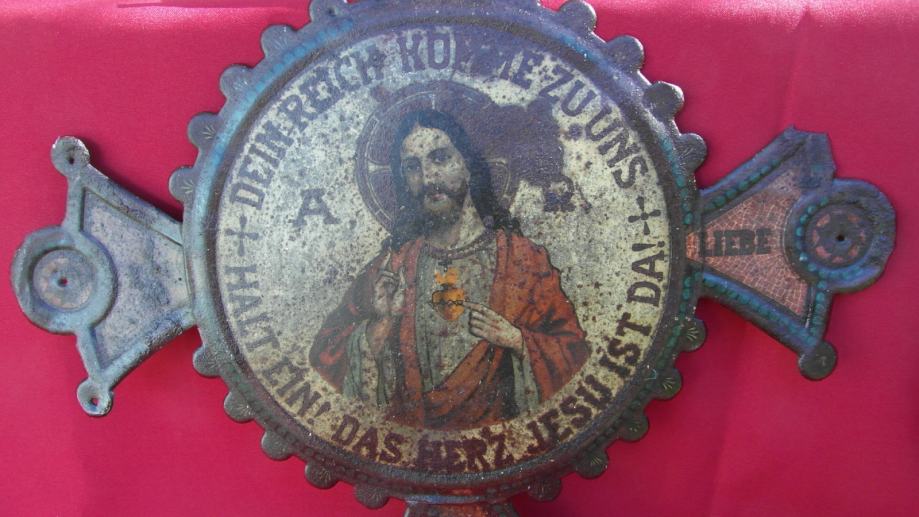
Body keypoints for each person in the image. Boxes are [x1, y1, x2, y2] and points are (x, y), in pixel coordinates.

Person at [310, 109, 588, 430]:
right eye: (412, 167)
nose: (428, 178)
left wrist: (515, 339)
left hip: (501, 439)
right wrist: (382, 324)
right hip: (410, 446)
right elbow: (325, 358)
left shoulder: (523, 261)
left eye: (440, 158)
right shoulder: (391, 268)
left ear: (468, 163)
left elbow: (574, 356)